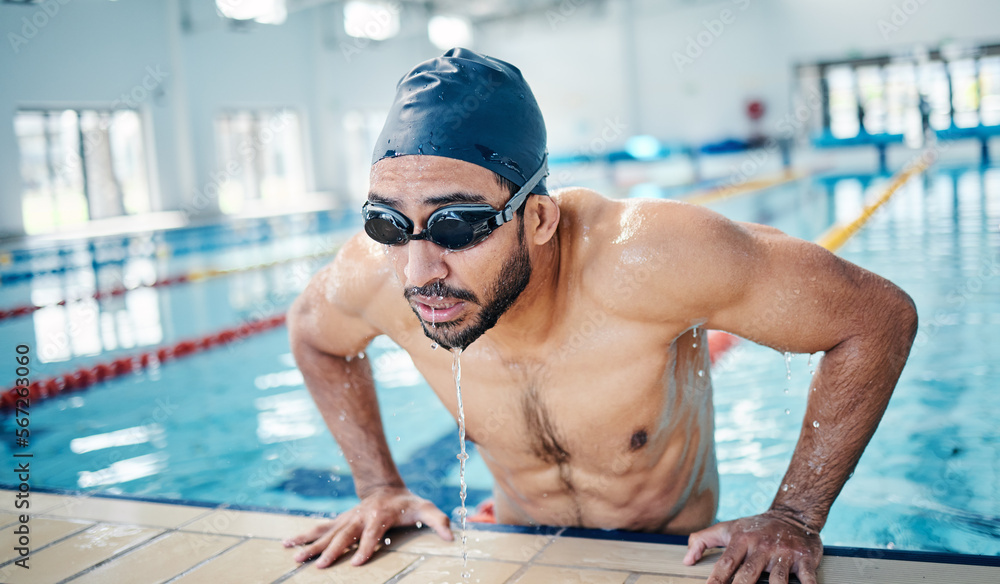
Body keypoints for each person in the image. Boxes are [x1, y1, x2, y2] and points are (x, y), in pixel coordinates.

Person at [282, 48, 917, 584]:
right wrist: (377, 487)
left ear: (538, 218)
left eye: (459, 224)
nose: (419, 272)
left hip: (678, 558)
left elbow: (876, 317)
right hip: (524, 547)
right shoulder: (377, 272)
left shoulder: (651, 258)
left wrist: (796, 515)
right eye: (386, 222)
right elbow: (313, 338)